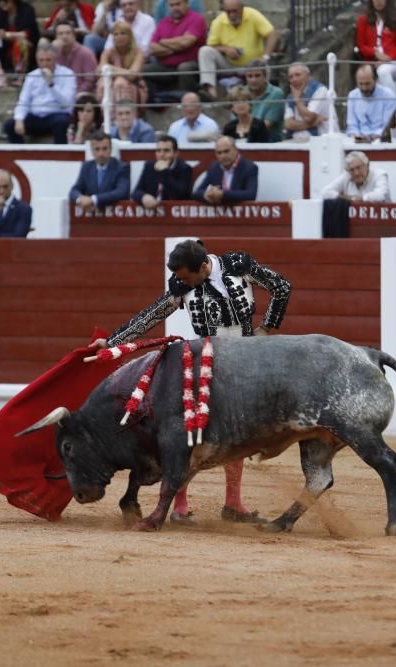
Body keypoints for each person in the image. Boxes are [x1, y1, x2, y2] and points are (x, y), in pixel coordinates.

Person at [90, 238, 292, 525]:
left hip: (247, 360)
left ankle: (233, 502)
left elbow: (282, 287)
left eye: (185, 276)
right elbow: (152, 314)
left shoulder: (238, 265)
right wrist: (112, 342)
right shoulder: (182, 285)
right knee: (188, 431)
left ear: (203, 266)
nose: (180, 281)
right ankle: (180, 505)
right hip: (208, 361)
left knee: (240, 431)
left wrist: (267, 327)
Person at [198, 0, 277, 101]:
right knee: (205, 51)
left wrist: (265, 57)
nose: (232, 15)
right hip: (228, 64)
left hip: (252, 65)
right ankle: (211, 92)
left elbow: (272, 35)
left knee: (265, 67)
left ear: (242, 9)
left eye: (235, 11)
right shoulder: (218, 21)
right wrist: (225, 49)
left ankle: (264, 98)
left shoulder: (253, 15)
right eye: (228, 12)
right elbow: (211, 45)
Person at [4, 41, 76, 144]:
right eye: (41, 60)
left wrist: (51, 84)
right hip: (35, 116)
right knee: (10, 125)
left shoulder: (67, 74)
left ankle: (60, 156)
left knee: (61, 122)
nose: (44, 64)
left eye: (48, 60)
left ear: (55, 60)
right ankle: (22, 155)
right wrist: (19, 119)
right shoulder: (32, 76)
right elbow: (23, 101)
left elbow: (66, 103)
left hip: (56, 114)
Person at [145, 0, 207, 95]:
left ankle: (187, 102)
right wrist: (177, 46)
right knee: (143, 70)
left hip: (191, 64)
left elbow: (186, 43)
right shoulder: (164, 22)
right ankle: (157, 104)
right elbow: (152, 48)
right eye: (172, 5)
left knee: (184, 68)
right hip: (166, 65)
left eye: (178, 4)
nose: (175, 8)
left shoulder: (197, 19)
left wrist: (163, 41)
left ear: (186, 4)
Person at [69, 131, 131, 210]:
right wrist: (80, 200)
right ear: (92, 150)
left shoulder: (122, 167)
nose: (101, 153)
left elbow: (121, 192)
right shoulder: (87, 166)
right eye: (97, 149)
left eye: (104, 149)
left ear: (110, 149)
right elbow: (74, 190)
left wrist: (94, 199)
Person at [354, 0, 396, 88]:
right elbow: (361, 45)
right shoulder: (363, 20)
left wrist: (388, 58)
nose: (378, 1)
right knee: (371, 78)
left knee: (382, 71)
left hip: (394, 61)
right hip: (371, 62)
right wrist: (375, 53)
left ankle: (391, 101)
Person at [132, 135, 194, 206]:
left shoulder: (184, 168)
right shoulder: (149, 166)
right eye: (158, 151)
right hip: (152, 211)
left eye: (166, 151)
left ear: (176, 153)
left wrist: (164, 171)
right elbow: (136, 192)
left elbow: (179, 195)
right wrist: (143, 197)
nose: (161, 154)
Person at [95, 21, 147, 105]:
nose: (119, 37)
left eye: (123, 33)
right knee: (103, 83)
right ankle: (107, 116)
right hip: (111, 84)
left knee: (120, 82)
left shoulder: (138, 53)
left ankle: (124, 115)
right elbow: (102, 71)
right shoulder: (107, 52)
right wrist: (125, 72)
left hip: (134, 86)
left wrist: (110, 68)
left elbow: (132, 76)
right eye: (115, 34)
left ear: (130, 36)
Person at [193, 136, 258, 203]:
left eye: (226, 151)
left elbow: (251, 194)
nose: (223, 156)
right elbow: (197, 192)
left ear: (236, 150)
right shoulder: (214, 168)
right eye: (219, 153)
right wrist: (206, 195)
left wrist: (222, 194)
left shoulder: (249, 167)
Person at [345, 64, 396, 143]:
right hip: (358, 141)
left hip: (382, 140)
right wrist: (356, 136)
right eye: (361, 84)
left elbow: (389, 125)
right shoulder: (352, 95)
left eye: (367, 83)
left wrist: (372, 137)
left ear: (375, 80)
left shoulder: (388, 95)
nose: (364, 88)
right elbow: (352, 125)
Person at [284, 62, 336, 141]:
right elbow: (288, 124)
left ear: (308, 75)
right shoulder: (291, 96)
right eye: (291, 77)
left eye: (298, 75)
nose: (294, 79)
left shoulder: (320, 90)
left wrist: (297, 100)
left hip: (324, 141)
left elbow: (308, 118)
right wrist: (312, 124)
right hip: (299, 141)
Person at [320, 151, 391, 202]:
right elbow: (325, 192)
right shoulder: (347, 175)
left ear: (367, 165)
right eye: (352, 170)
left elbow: (381, 195)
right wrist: (345, 197)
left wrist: (361, 199)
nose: (356, 173)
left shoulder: (380, 174)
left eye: (359, 168)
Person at [245, 60, 284, 142]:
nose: (253, 80)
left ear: (265, 77)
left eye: (257, 75)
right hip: (245, 137)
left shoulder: (276, 93)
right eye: (250, 76)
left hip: (269, 141)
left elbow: (266, 126)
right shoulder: (242, 92)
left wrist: (240, 131)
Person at [54, 21, 97, 94]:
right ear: (56, 37)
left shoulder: (86, 53)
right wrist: (52, 51)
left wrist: (75, 93)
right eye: (60, 34)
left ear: (74, 36)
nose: (64, 36)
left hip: (81, 96)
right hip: (58, 96)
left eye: (68, 33)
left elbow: (90, 81)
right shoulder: (53, 54)